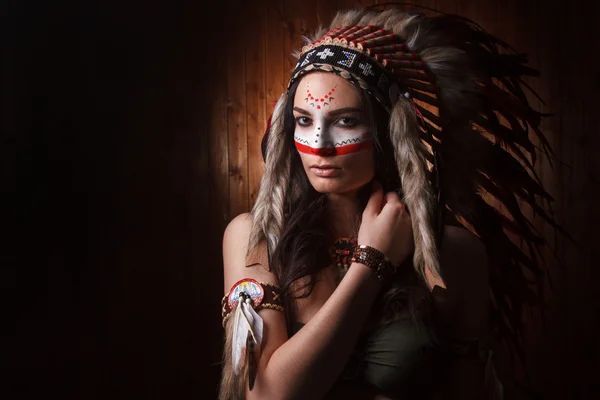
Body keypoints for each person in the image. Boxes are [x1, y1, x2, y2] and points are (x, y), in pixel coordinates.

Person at [219, 7, 554, 399]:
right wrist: (372, 263)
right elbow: (268, 396)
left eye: (345, 121)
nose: (319, 146)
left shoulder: (455, 254)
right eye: (304, 120)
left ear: (389, 130)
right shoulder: (254, 238)